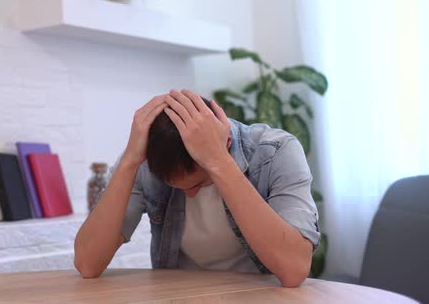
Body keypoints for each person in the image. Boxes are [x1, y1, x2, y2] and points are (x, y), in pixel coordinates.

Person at [74, 89, 320, 287]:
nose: (189, 194)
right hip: (181, 295)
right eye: (176, 187)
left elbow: (293, 269)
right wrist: (128, 162)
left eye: (198, 183)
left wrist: (218, 162)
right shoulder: (145, 160)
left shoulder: (276, 151)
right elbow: (87, 264)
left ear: (227, 141)